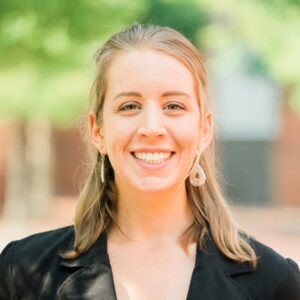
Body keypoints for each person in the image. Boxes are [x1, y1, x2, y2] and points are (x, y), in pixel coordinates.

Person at [0, 23, 299, 300]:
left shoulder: (273, 282)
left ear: (204, 129)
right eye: (130, 106)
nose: (152, 127)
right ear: (97, 130)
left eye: (173, 106)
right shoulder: (21, 271)